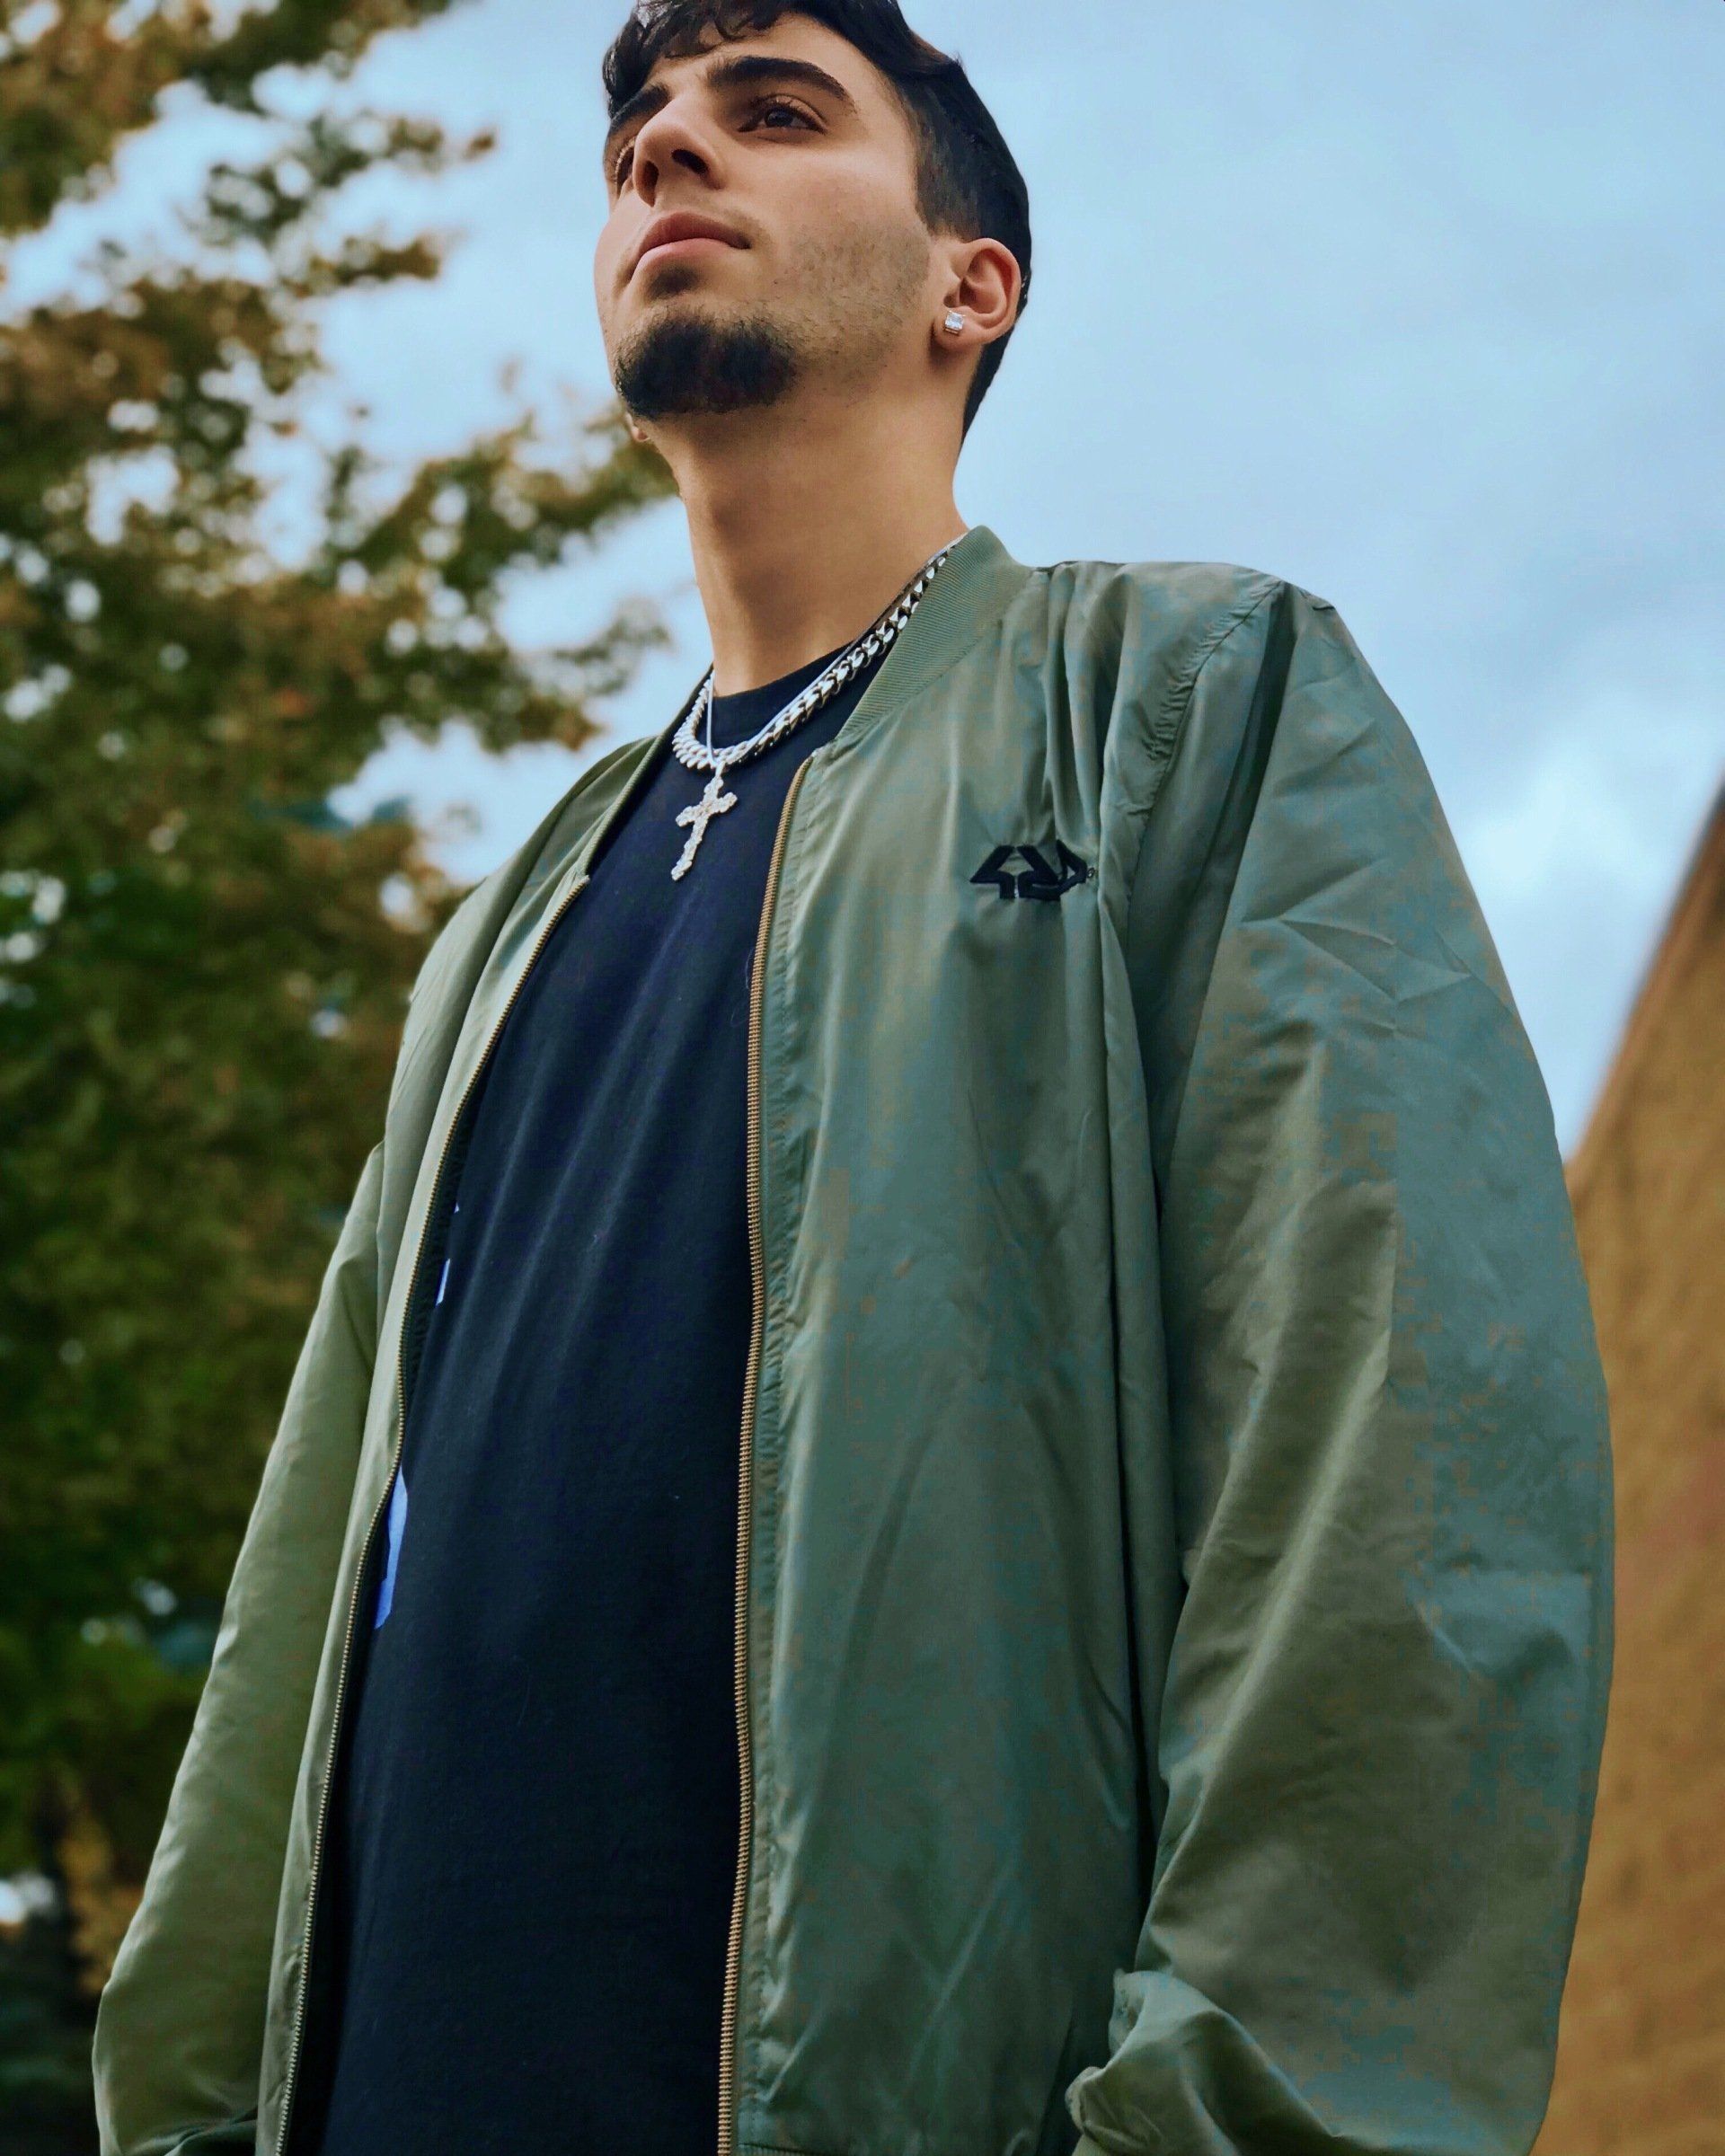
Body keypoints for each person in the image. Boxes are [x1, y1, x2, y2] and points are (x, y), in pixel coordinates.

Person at [92, 4, 1614, 2153]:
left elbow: (1406, 1458)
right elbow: (300, 1595)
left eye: (773, 112)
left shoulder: (1187, 703)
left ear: (967, 285)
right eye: (639, 132)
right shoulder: (510, 919)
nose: (665, 156)